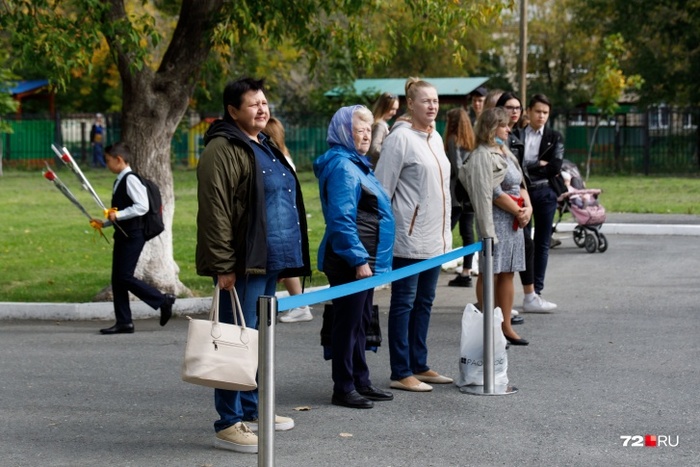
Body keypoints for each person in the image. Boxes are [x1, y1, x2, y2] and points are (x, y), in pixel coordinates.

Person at [195, 78, 311, 454]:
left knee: (256, 339)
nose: (262, 109)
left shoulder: (263, 142)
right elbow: (215, 211)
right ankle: (228, 422)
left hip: (269, 261)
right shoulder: (222, 148)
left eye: (264, 102)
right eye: (253, 104)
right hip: (243, 263)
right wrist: (223, 265)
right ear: (233, 111)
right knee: (235, 339)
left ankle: (253, 409)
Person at [314, 105, 396, 409]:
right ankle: (344, 387)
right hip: (351, 260)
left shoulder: (356, 164)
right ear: (343, 133)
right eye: (358, 130)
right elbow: (341, 218)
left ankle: (361, 380)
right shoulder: (342, 166)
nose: (365, 135)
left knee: (360, 322)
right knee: (347, 325)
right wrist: (359, 260)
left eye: (368, 130)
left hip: (364, 257)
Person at [375, 77, 453, 392]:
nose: (432, 106)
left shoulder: (435, 137)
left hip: (435, 238)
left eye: (435, 100)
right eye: (426, 100)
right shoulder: (399, 139)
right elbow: (382, 190)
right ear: (411, 104)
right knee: (404, 303)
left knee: (425, 302)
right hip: (409, 238)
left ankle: (419, 364)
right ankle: (401, 370)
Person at [461, 107, 531, 346]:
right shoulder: (482, 154)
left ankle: (506, 327)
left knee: (508, 272)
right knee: (490, 273)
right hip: (496, 220)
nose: (508, 129)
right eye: (503, 125)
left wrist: (527, 209)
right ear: (491, 128)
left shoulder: (505, 151)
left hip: (514, 221)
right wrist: (519, 211)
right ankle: (490, 328)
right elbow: (492, 192)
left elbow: (520, 184)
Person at [90, 142, 175, 334]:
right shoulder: (120, 180)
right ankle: (124, 322)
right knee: (117, 278)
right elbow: (122, 211)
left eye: (108, 160)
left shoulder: (130, 179)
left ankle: (163, 300)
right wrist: (105, 223)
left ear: (119, 159)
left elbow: (142, 206)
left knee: (124, 276)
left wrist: (118, 215)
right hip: (124, 233)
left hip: (134, 234)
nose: (106, 164)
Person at [512, 94, 563, 311]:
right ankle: (528, 290)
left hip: (545, 192)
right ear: (529, 112)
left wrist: (530, 167)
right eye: (538, 111)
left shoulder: (554, 136)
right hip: (522, 192)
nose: (541, 116)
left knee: (542, 243)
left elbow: (554, 167)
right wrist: (536, 164)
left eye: (545, 113)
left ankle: (536, 292)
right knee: (525, 242)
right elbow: (515, 165)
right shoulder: (517, 135)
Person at [264, 116, 313, 323]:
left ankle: (300, 305)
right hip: (288, 219)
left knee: (284, 263)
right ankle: (298, 304)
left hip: (281, 221)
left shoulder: (276, 161)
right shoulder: (284, 157)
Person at [444, 107, 477, 288]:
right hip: (470, 194)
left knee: (444, 229)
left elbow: (457, 167)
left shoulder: (452, 139)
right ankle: (466, 272)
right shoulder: (472, 140)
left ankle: (429, 269)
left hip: (456, 194)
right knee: (467, 232)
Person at [367, 92, 400, 166]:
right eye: (392, 109)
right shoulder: (380, 125)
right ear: (383, 107)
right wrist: (393, 153)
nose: (394, 113)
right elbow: (374, 148)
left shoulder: (380, 124)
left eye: (396, 109)